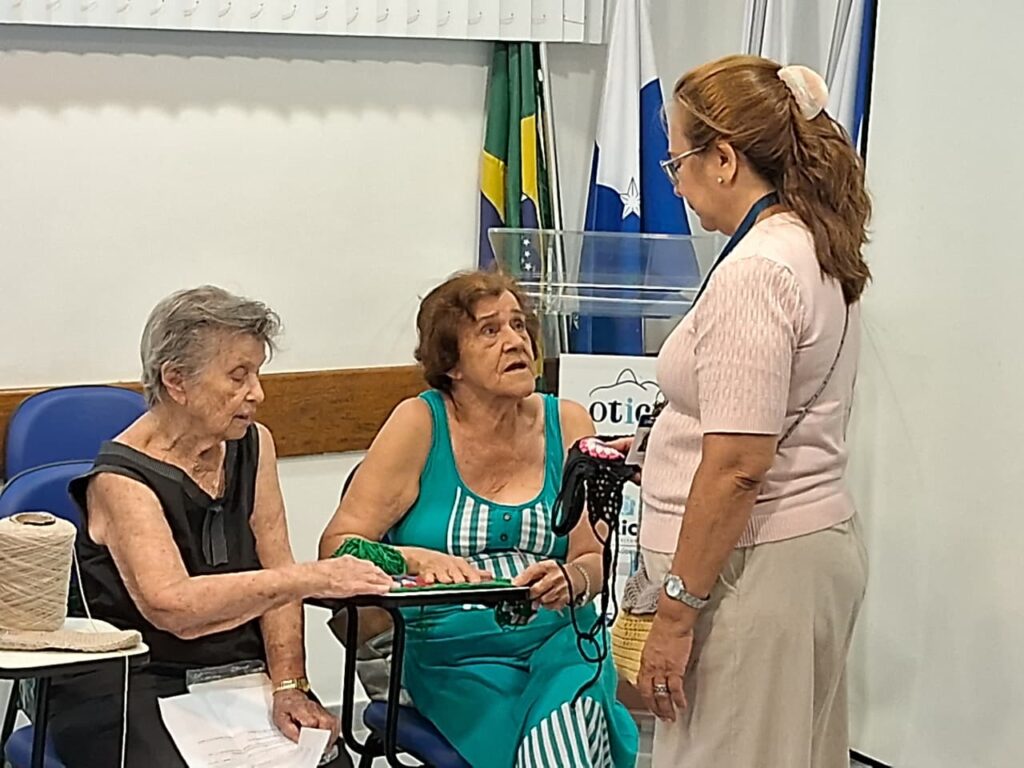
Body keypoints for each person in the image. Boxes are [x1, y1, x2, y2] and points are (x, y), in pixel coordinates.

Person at [614, 56, 871, 768]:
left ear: (724, 159)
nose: (676, 185)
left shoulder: (756, 271)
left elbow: (736, 468)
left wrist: (675, 611)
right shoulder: (812, 244)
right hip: (798, 553)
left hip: (749, 572)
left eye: (677, 163)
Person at [47, 286, 393, 768]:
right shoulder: (120, 481)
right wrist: (312, 577)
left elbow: (277, 571)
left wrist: (290, 685)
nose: (257, 392)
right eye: (238, 375)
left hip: (236, 674)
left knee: (324, 758)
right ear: (176, 381)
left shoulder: (254, 444)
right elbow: (174, 607)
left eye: (257, 372)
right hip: (134, 681)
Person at [319, 270, 639, 768]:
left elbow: (593, 558)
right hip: (451, 659)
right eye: (490, 330)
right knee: (559, 747)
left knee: (564, 731)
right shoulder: (419, 423)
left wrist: (571, 577)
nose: (515, 341)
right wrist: (411, 558)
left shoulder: (569, 422)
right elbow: (337, 547)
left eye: (519, 325)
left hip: (560, 644)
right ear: (452, 363)